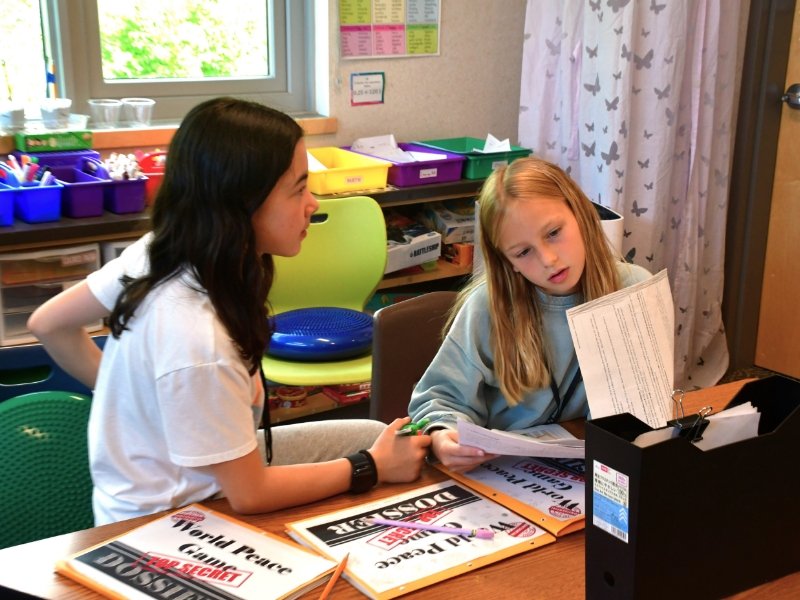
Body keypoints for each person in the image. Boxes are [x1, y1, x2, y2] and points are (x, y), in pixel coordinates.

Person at [28, 97, 430, 525]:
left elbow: (48, 323)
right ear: (241, 203)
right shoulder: (199, 340)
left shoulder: (164, 252)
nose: (312, 204)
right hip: (166, 521)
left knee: (372, 434)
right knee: (376, 464)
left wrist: (136, 402)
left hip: (191, 479)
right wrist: (370, 468)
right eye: (298, 189)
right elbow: (249, 494)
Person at [408, 156, 651, 473]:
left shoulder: (635, 289)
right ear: (509, 262)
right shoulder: (488, 306)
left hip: (595, 469)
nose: (549, 259)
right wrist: (444, 437)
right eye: (524, 252)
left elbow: (641, 406)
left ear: (580, 213)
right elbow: (438, 400)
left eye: (553, 233)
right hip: (501, 472)